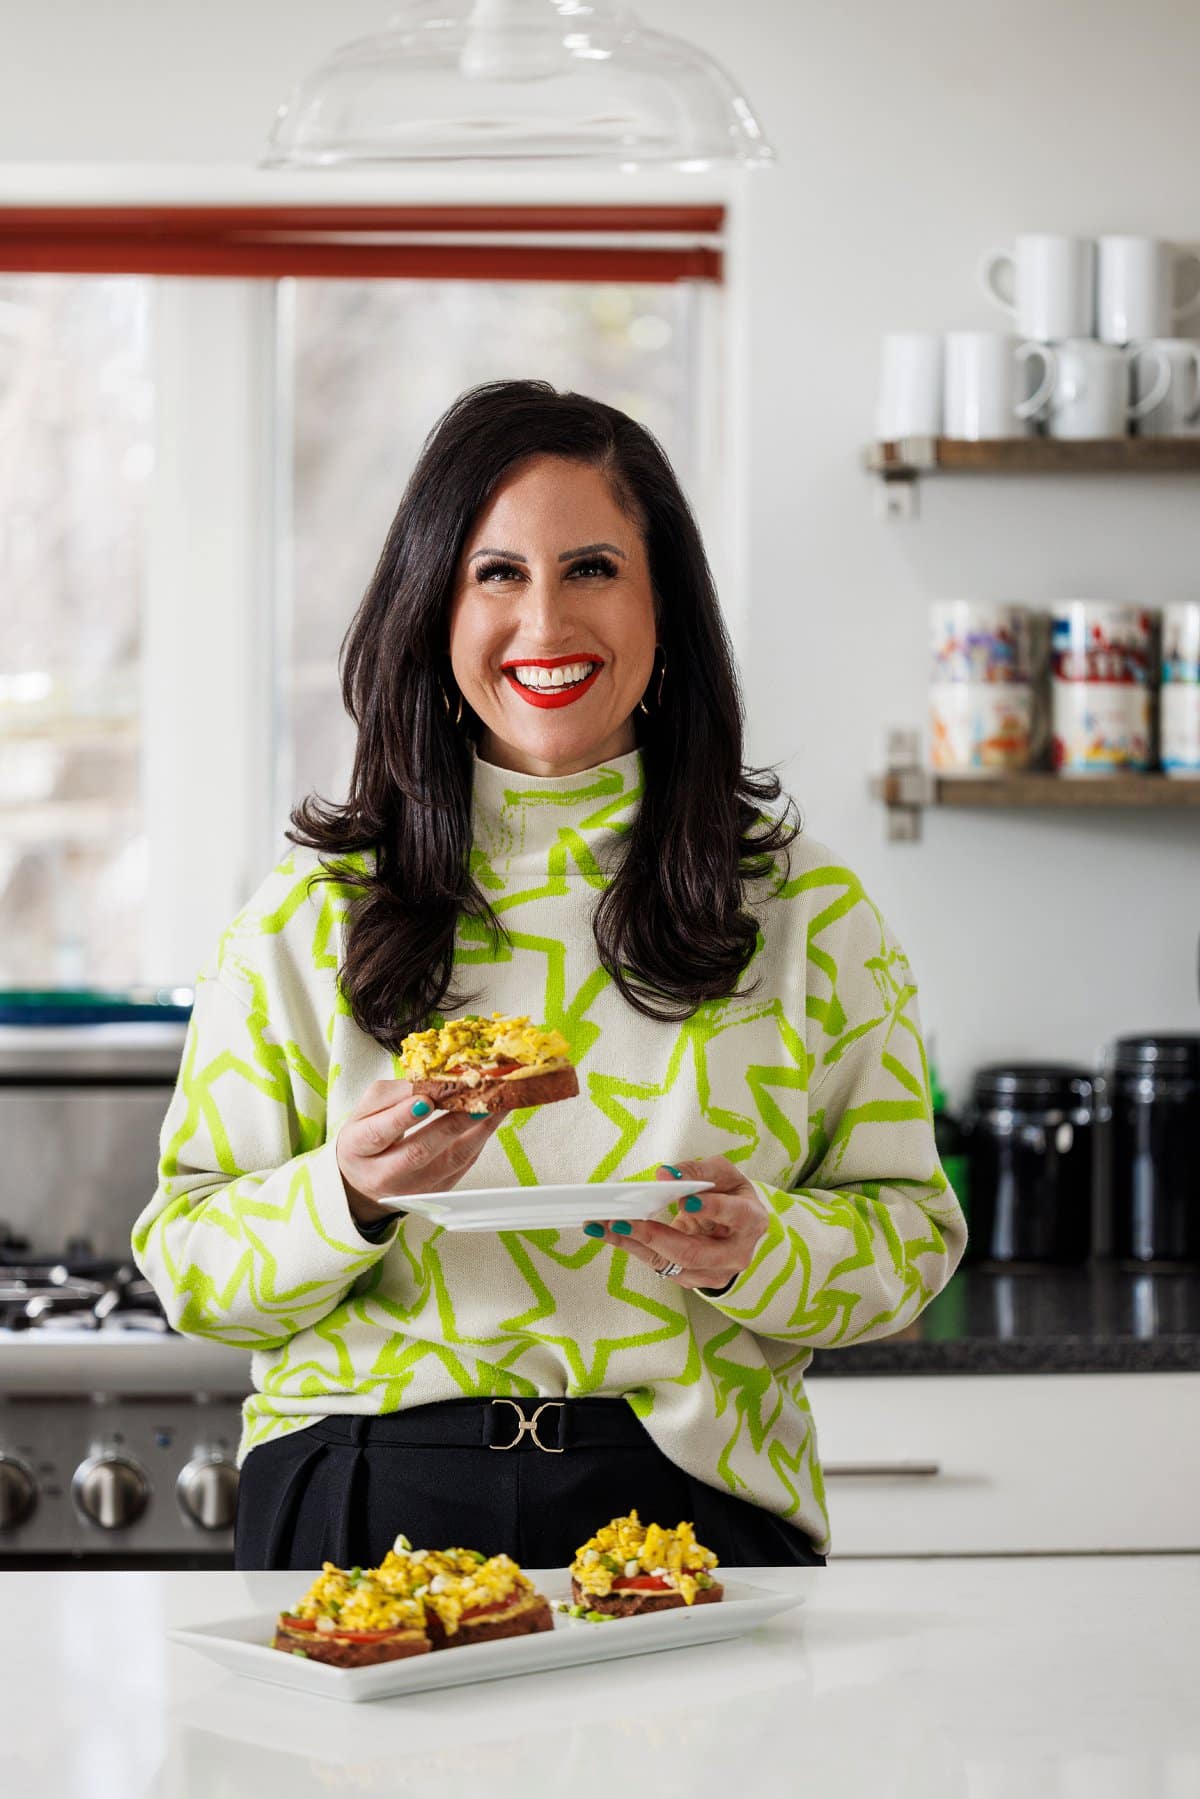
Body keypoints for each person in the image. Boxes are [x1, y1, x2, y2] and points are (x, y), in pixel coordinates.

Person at [132, 378, 966, 1572]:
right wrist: (346, 1197)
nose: (545, 623)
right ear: (433, 608)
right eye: (497, 573)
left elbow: (911, 1248)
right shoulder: (313, 912)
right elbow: (192, 1268)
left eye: (591, 569)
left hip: (692, 1499)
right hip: (363, 1488)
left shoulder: (805, 911)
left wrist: (756, 1247)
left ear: (663, 603)